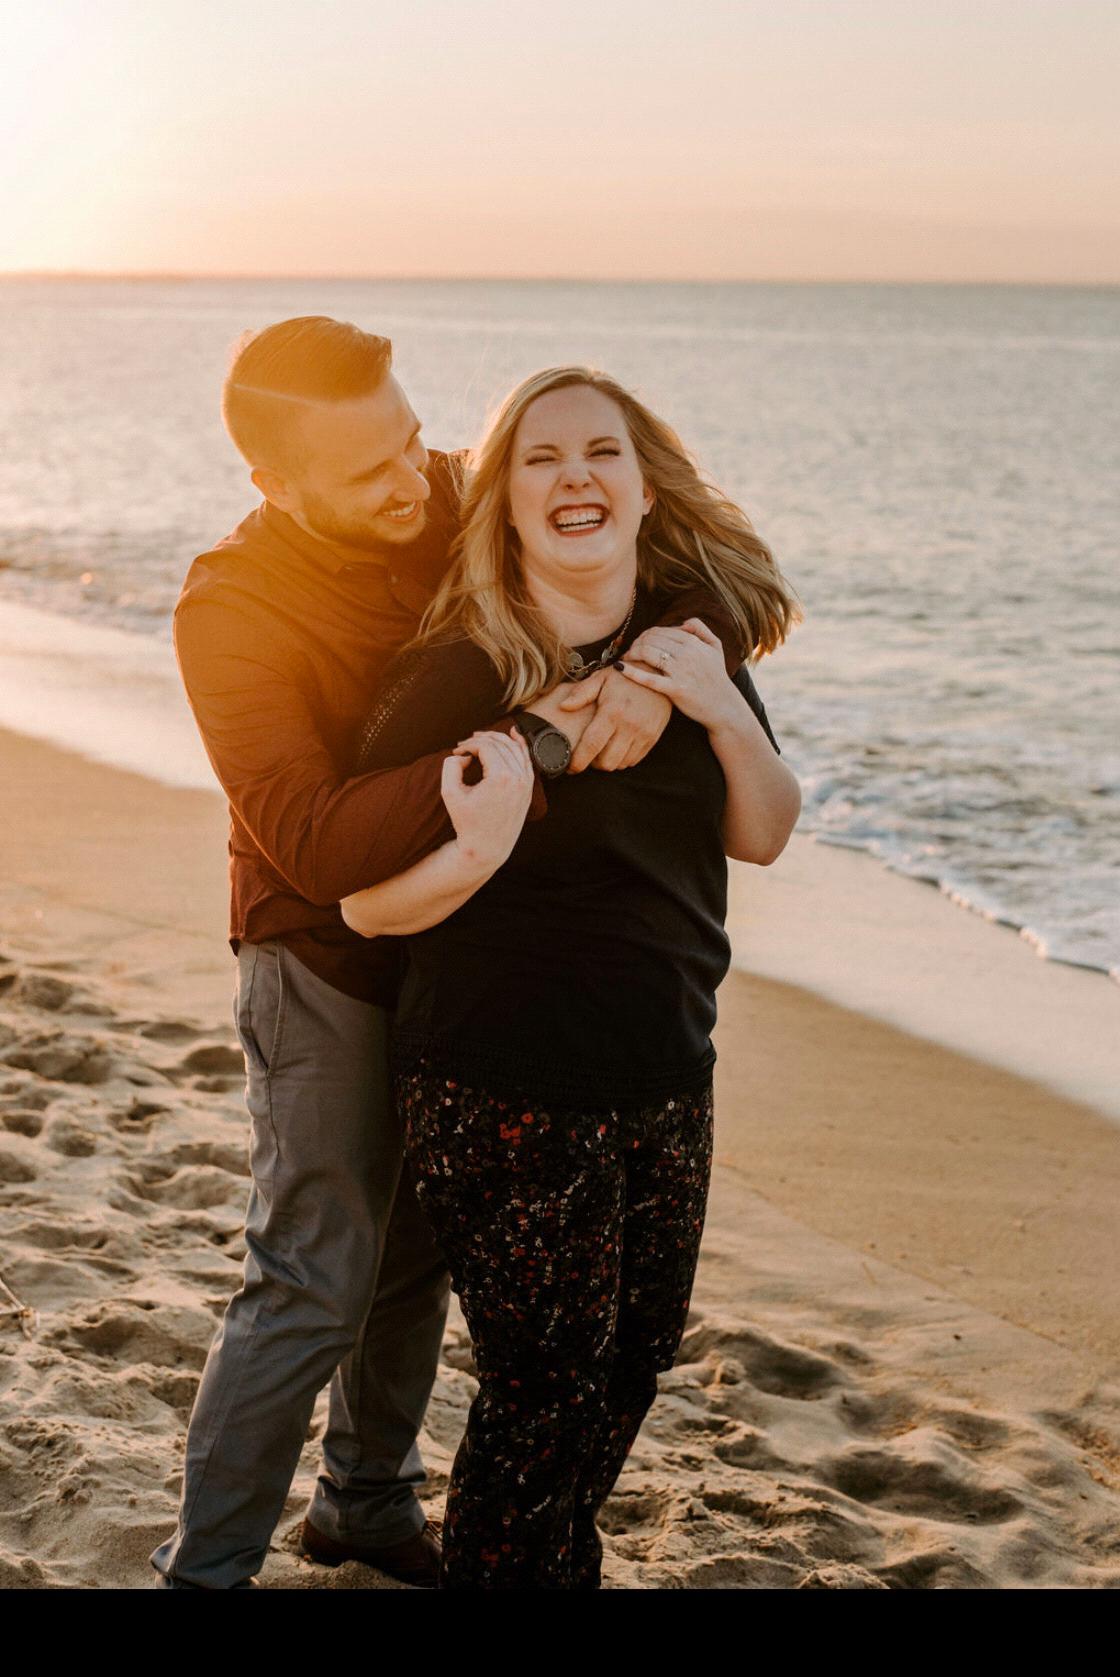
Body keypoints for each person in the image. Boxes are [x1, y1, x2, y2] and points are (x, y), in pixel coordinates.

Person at [152, 318, 750, 1589]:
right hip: (321, 953)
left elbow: (681, 558)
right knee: (316, 1270)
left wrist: (651, 672)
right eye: (368, 471)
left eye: (412, 441)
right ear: (273, 485)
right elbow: (317, 844)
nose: (413, 481)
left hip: (470, 948)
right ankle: (205, 1568)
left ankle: (365, 1503)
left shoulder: (448, 487)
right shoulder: (230, 608)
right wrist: (532, 740)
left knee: (417, 1253)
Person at [340, 365, 802, 1588]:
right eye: (539, 459)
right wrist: (475, 851)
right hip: (500, 1081)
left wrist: (718, 708)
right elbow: (363, 900)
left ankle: (545, 1559)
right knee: (543, 1385)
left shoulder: (689, 648)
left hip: (667, 1069)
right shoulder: (457, 674)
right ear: (502, 501)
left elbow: (761, 832)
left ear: (646, 489)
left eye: (600, 453)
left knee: (634, 1361)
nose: (573, 478)